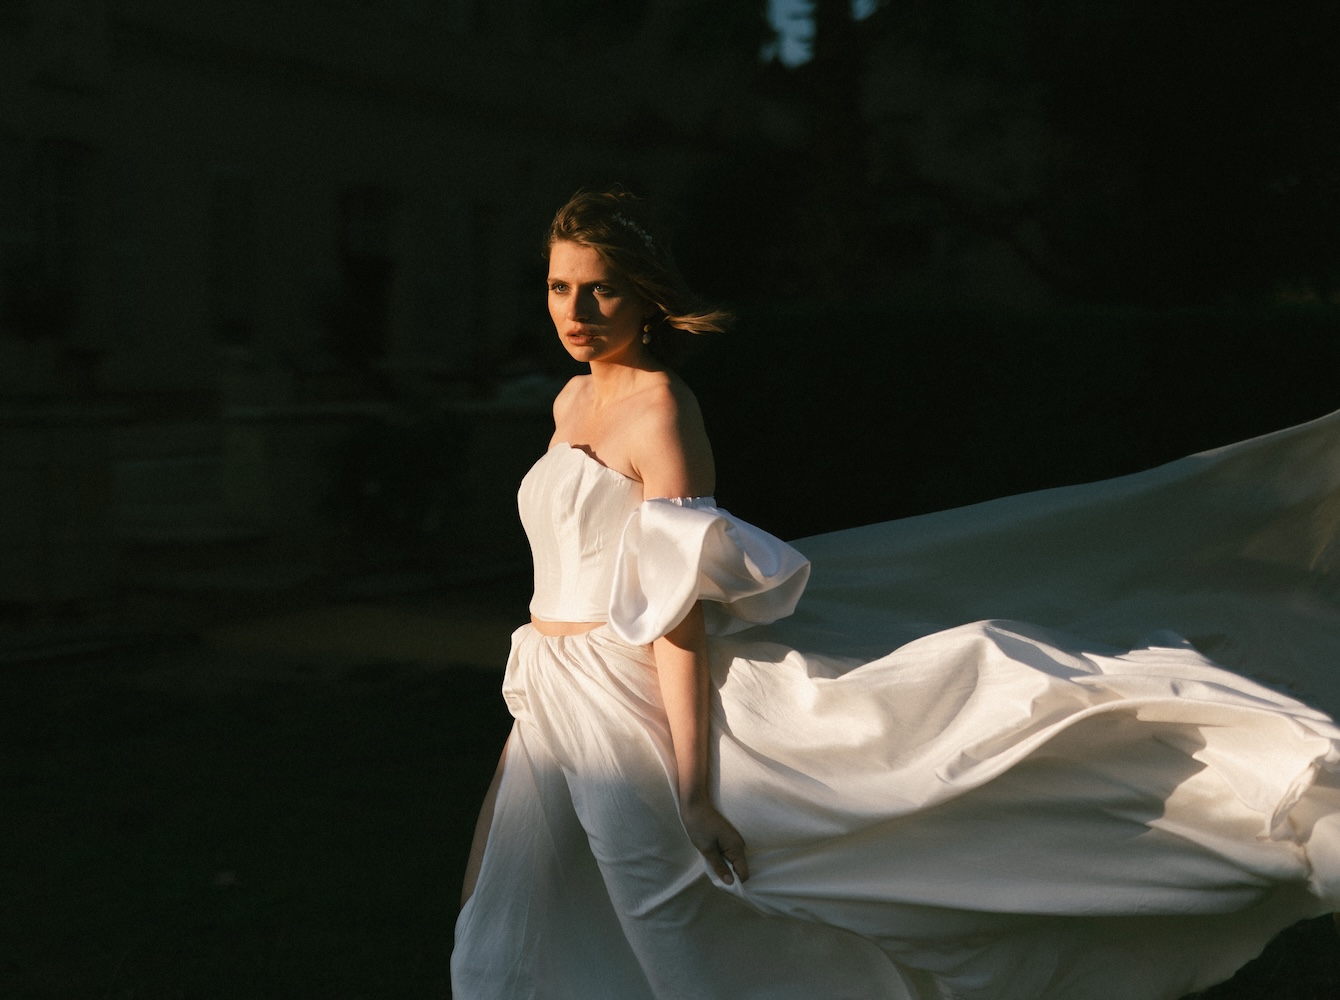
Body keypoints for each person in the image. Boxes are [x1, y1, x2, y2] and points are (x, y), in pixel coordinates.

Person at [451, 188, 1340, 1000]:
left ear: (644, 296)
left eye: (600, 289)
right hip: (549, 688)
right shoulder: (571, 400)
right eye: (560, 287)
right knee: (507, 912)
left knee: (678, 925)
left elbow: (676, 607)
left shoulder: (661, 409)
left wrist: (692, 786)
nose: (575, 310)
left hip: (628, 700)